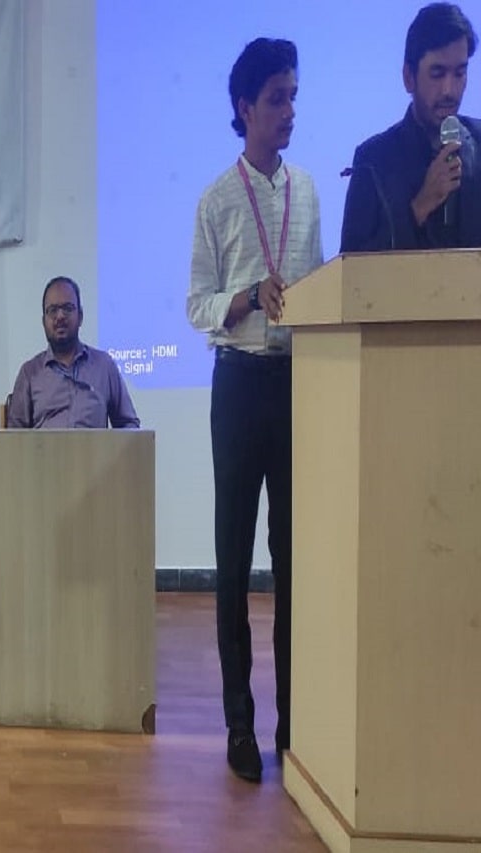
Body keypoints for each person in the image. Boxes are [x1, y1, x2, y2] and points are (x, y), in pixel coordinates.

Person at [187, 38, 323, 783]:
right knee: (234, 558)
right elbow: (196, 305)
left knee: (295, 560)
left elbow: (320, 282)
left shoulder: (308, 191)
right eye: (276, 98)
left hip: (296, 382)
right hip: (238, 384)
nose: (290, 110)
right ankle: (240, 726)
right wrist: (244, 297)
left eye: (293, 96)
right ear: (244, 108)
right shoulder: (215, 199)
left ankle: (293, 724)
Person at [341, 3, 481, 251]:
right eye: (437, 74)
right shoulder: (373, 161)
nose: (449, 90)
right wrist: (419, 207)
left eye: (459, 74)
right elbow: (350, 267)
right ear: (409, 77)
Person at [6, 276, 140, 429]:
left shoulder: (104, 366)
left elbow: (129, 425)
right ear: (43, 321)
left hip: (95, 446)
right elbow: (14, 436)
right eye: (53, 310)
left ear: (80, 317)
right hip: (45, 446)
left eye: (68, 308)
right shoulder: (29, 373)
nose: (60, 316)